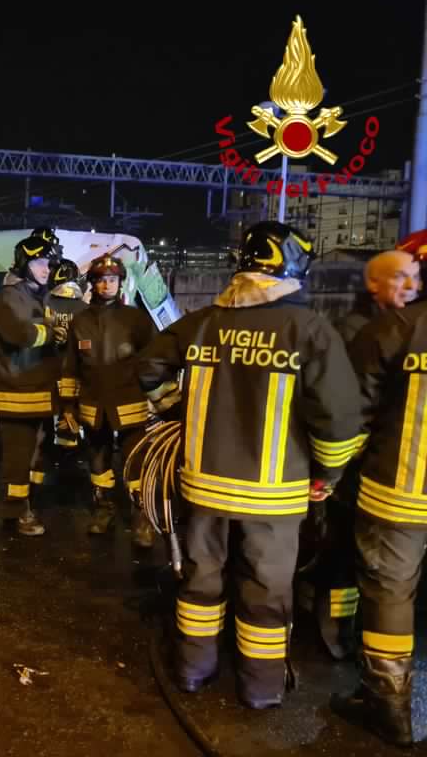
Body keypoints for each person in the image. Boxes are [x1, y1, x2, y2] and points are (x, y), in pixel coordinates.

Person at [135, 220, 364, 709]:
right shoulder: (310, 330)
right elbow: (340, 421)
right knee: (266, 589)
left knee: (201, 577)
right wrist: (326, 476)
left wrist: (178, 409)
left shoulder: (202, 322)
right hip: (273, 495)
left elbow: (149, 369)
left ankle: (192, 670)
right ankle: (261, 688)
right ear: (294, 267)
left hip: (203, 485)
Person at [303, 249, 422, 661]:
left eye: (416, 277)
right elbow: (344, 414)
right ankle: (335, 630)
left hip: (388, 474)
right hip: (360, 473)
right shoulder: (354, 332)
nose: (412, 286)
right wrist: (332, 474)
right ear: (374, 283)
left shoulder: (401, 329)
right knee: (342, 557)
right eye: (401, 277)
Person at [330, 297, 427, 747]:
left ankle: (388, 709)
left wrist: (329, 476)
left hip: (399, 490)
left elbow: (352, 416)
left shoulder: (395, 328)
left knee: (390, 594)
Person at [59, 254, 157, 546]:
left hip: (130, 403)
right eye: (101, 280)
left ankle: (142, 517)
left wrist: (157, 399)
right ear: (93, 284)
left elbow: (154, 361)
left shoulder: (136, 319)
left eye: (112, 280)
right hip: (93, 405)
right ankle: (104, 509)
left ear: (120, 282)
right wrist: (67, 406)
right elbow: (70, 366)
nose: (107, 285)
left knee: (136, 461)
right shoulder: (80, 321)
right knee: (97, 459)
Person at [0, 227, 66, 536]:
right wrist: (51, 331)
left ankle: (28, 501)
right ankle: (17, 510)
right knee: (18, 457)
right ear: (24, 264)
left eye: (49, 263)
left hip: (39, 393)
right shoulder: (7, 299)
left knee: (36, 455)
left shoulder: (40, 296)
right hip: (16, 394)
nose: (47, 269)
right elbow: (19, 334)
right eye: (39, 263)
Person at [45, 259, 89, 454]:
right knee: (70, 409)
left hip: (47, 367)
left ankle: (44, 448)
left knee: (45, 410)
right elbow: (88, 343)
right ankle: (68, 445)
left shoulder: (44, 304)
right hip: (74, 371)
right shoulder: (85, 309)